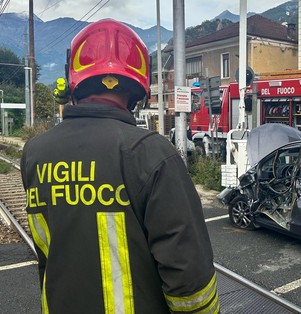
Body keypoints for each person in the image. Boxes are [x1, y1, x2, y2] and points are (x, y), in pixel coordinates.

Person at [20, 19, 219, 313]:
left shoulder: (35, 153)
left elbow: (48, 252)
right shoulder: (153, 154)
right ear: (138, 88)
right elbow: (192, 285)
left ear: (74, 79)